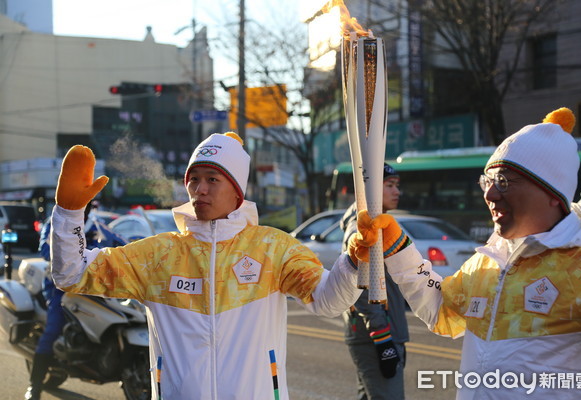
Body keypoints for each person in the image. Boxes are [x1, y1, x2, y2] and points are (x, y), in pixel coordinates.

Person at [50, 132, 363, 400]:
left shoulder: (273, 249)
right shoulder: (159, 255)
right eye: (194, 179)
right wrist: (69, 214)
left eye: (212, 180)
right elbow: (73, 273)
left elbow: (328, 300)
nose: (200, 189)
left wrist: (352, 260)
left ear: (237, 191)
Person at [349, 107, 581, 399]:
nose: (490, 195)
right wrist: (397, 248)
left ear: (553, 195)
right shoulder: (491, 259)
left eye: (504, 182)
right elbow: (442, 311)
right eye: (488, 181)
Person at [25, 203, 127, 400]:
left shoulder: (97, 226)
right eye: (82, 200)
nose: (85, 205)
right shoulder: (56, 222)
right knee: (53, 329)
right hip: (62, 288)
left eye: (89, 201)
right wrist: (79, 256)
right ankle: (34, 386)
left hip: (96, 285)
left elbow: (124, 243)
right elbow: (46, 249)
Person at [340, 163, 409, 400]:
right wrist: (383, 339)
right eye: (389, 185)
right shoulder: (362, 229)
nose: (396, 191)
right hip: (373, 335)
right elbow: (361, 287)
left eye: (397, 186)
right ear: (368, 191)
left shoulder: (377, 223)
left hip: (377, 332)